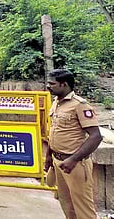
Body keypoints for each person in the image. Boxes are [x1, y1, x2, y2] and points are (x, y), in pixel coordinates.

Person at [45, 69, 102, 219]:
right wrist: (48, 156)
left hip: (74, 164)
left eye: (52, 83)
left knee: (83, 207)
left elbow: (96, 136)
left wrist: (73, 159)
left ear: (64, 84)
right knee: (66, 203)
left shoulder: (79, 105)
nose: (48, 86)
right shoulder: (57, 102)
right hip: (59, 162)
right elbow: (55, 131)